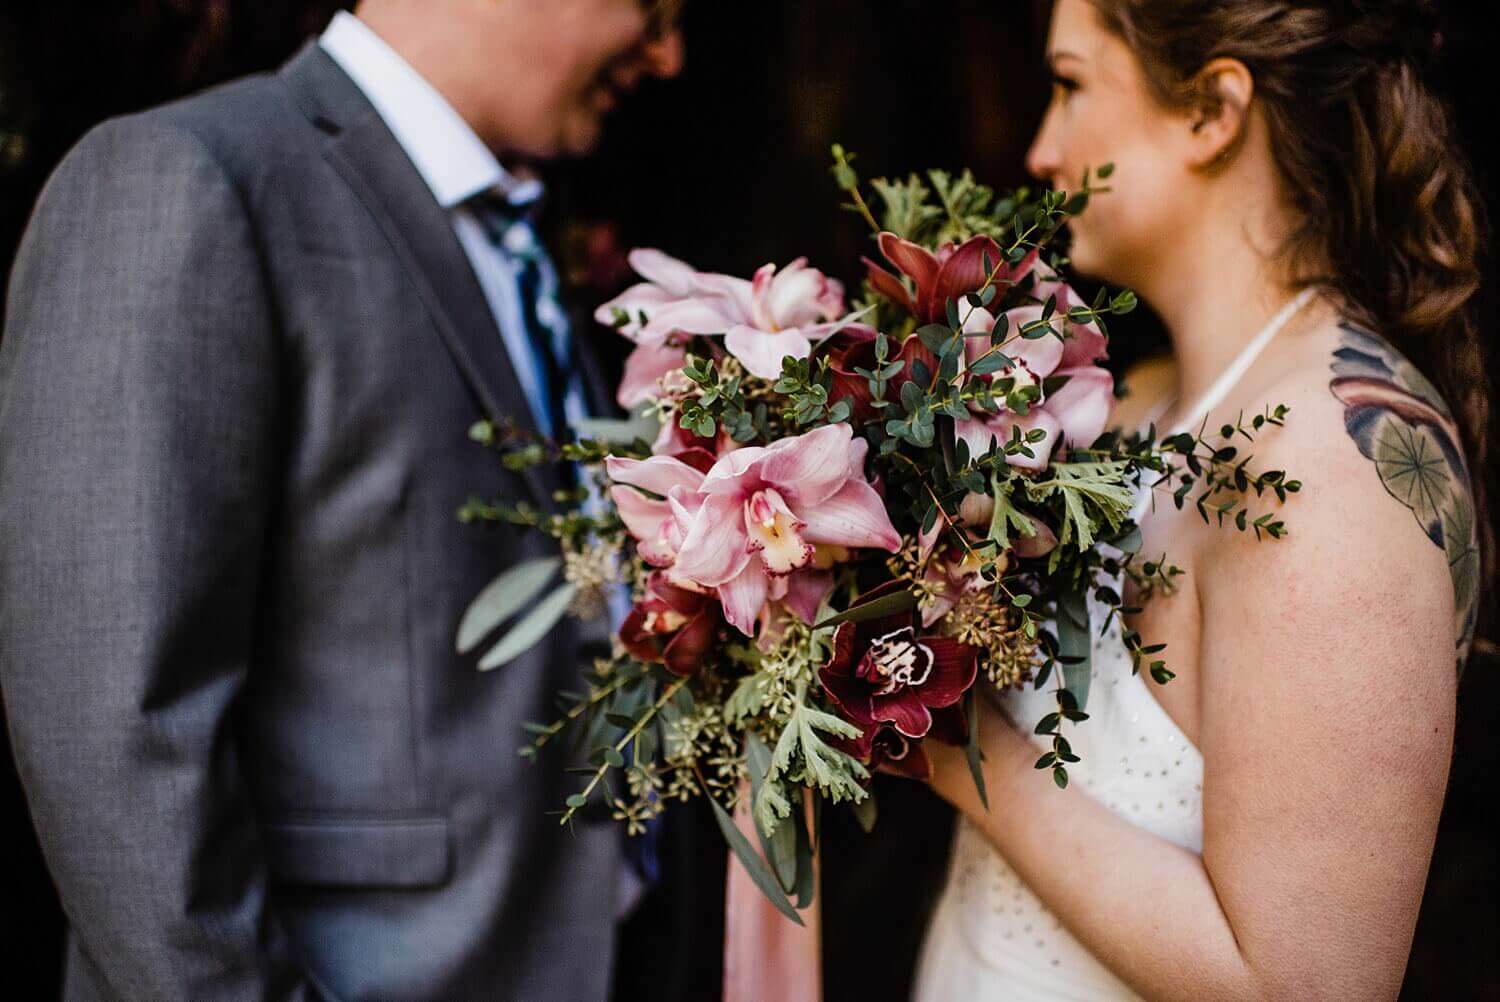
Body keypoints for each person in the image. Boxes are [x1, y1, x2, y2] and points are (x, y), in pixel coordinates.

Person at [0, 1, 683, 999]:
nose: (669, 54)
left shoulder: (525, 232)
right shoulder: (184, 178)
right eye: (656, 6)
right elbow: (115, 732)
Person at [914, 0, 1488, 998]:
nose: (1043, 149)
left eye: (1071, 82)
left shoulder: (1342, 473)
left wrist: (937, 741)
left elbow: (1304, 985)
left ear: (1212, 111)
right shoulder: (1130, 406)